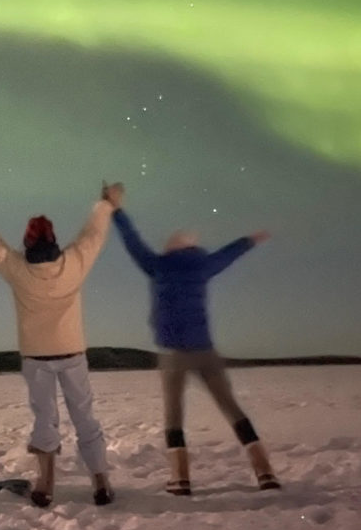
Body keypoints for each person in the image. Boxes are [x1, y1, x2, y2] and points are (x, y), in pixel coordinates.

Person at [103, 182, 280, 494]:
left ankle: (180, 478)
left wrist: (116, 209)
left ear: (174, 247)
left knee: (173, 415)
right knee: (231, 408)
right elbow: (229, 253)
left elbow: (132, 241)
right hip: (204, 350)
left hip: (172, 353)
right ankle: (264, 471)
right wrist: (250, 240)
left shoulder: (157, 265)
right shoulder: (202, 265)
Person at [0, 185, 116, 507]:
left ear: (27, 242)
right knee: (84, 417)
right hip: (72, 354)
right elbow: (93, 234)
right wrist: (103, 204)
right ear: (53, 240)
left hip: (37, 357)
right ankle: (101, 482)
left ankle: (46, 483)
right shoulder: (73, 263)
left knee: (45, 419)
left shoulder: (18, 269)